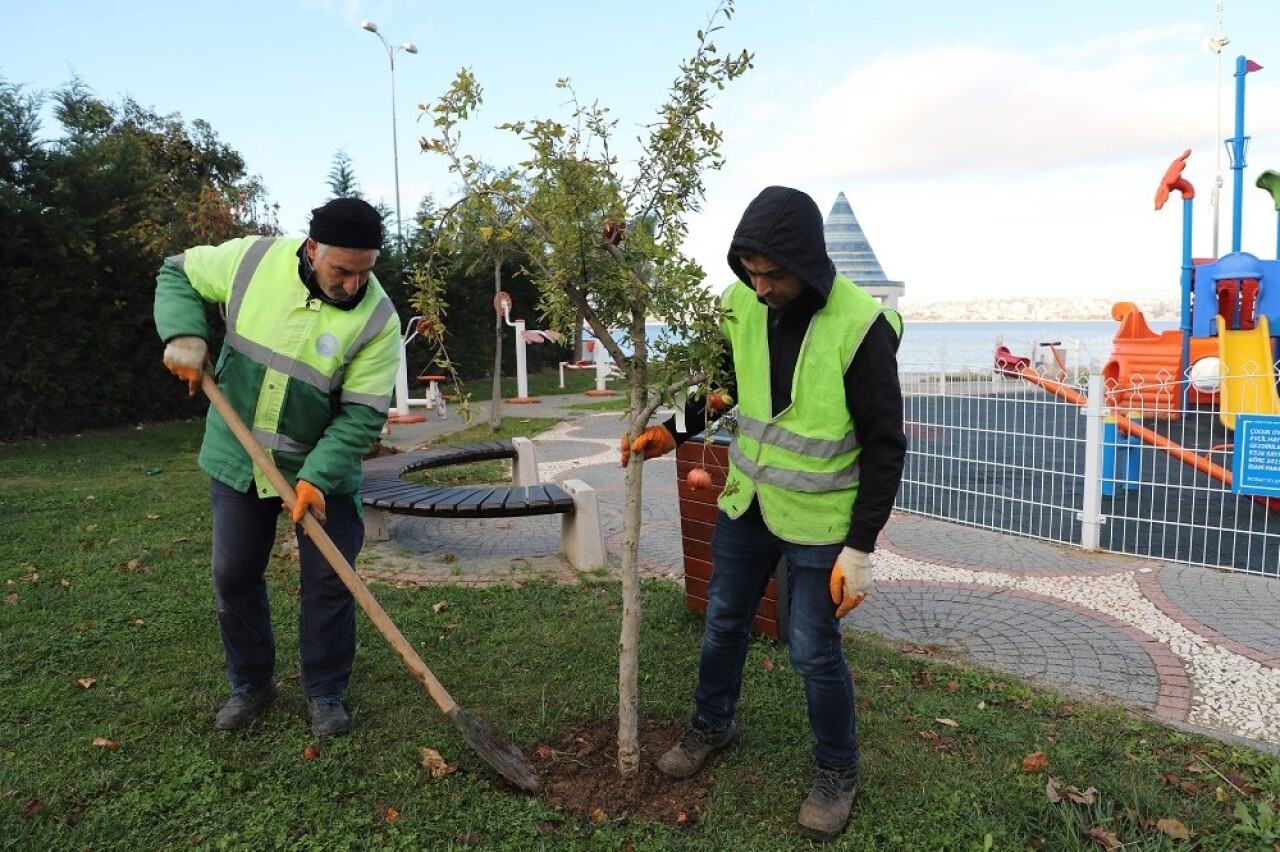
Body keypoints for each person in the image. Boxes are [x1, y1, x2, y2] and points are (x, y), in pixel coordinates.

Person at [622, 186, 906, 842]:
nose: (760, 287)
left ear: (806, 264)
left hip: (820, 524)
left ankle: (837, 771)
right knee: (722, 623)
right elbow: (727, 384)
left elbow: (885, 447)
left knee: (811, 651)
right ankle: (711, 726)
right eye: (749, 273)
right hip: (748, 504)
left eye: (773, 274)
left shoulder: (861, 328)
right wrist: (676, 428)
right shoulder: (741, 305)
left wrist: (859, 549)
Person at [153, 198, 401, 737]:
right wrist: (185, 336)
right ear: (313, 249)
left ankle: (325, 692)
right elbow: (176, 272)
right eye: (342, 270)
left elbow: (362, 415)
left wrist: (317, 476)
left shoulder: (378, 318)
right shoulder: (251, 261)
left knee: (330, 581)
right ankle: (250, 685)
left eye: (365, 273)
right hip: (237, 460)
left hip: (321, 471)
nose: (353, 285)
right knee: (235, 574)